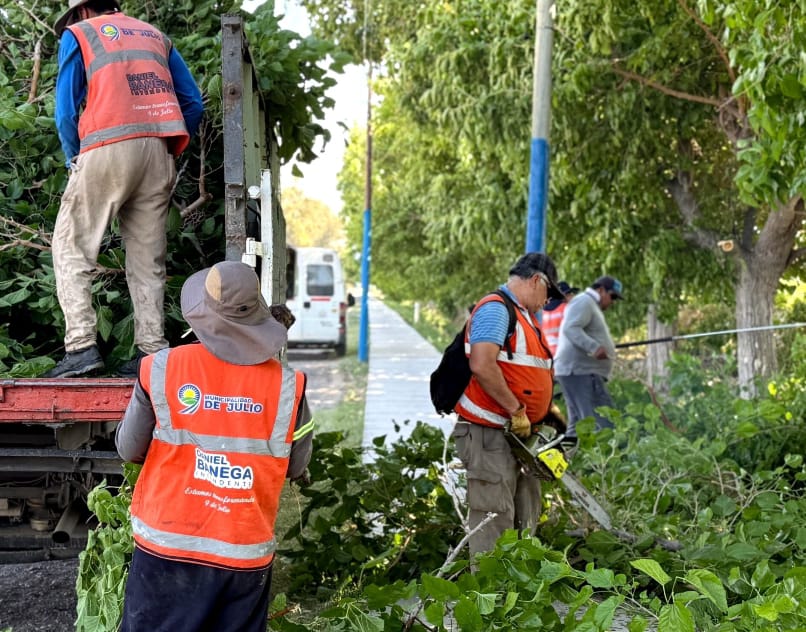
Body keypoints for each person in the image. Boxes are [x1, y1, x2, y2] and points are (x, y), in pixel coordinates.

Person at [115, 261, 314, 632]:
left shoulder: (161, 369)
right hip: (242, 555)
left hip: (167, 549)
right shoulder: (290, 387)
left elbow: (128, 450)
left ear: (201, 317)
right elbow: (296, 465)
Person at [45, 0, 204, 378]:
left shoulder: (79, 34)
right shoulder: (156, 36)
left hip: (105, 148)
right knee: (147, 261)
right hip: (158, 150)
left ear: (81, 12)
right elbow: (193, 103)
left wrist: (75, 158)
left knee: (71, 247)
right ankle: (151, 353)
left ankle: (81, 346)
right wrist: (169, 150)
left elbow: (66, 111)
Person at [452, 252, 564, 557]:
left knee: (524, 510)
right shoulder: (497, 310)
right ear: (536, 280)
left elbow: (524, 370)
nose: (548, 301)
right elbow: (482, 364)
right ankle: (490, 595)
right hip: (489, 432)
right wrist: (517, 410)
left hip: (516, 433)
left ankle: (516, 590)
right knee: (493, 515)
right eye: (549, 293)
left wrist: (544, 409)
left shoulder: (523, 316)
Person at [554, 275, 624, 439]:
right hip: (581, 372)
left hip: (575, 372)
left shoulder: (588, 304)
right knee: (600, 424)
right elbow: (571, 328)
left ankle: (565, 462)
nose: (612, 302)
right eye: (612, 296)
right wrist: (594, 347)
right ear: (600, 290)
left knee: (578, 427)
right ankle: (600, 463)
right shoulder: (584, 301)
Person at [541, 280, 579, 355]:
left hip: (547, 356)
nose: (572, 296)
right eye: (570, 294)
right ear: (563, 296)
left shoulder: (542, 313)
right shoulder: (566, 309)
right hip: (565, 355)